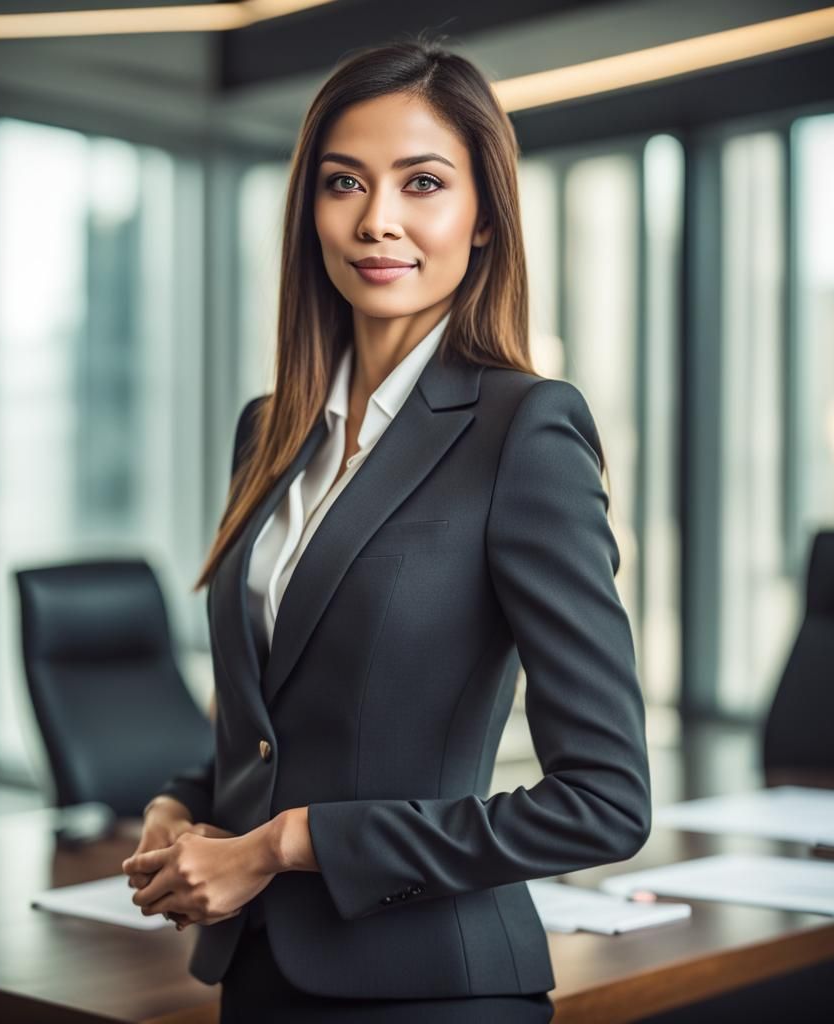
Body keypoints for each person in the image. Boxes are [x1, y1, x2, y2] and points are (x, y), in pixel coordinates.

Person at [121, 33, 651, 1022]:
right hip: (259, 979)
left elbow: (606, 800)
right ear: (307, 210)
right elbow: (284, 723)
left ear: (483, 217)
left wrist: (282, 845)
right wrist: (179, 804)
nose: (377, 221)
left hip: (433, 990)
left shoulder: (523, 430)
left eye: (422, 183)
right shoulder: (268, 431)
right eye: (343, 183)